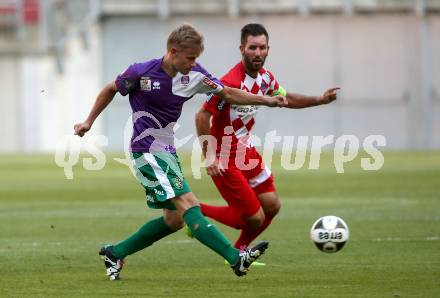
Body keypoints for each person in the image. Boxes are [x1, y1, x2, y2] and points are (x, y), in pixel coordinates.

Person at [74, 24, 287, 281]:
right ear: (173, 51)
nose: (194, 63)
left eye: (197, 58)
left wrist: (266, 99)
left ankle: (115, 252)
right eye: (190, 58)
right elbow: (111, 89)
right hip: (146, 151)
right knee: (189, 205)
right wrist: (88, 121)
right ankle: (234, 258)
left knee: (174, 219)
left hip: (167, 151)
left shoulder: (195, 75)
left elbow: (228, 93)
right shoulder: (141, 73)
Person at [195, 23, 339, 264]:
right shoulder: (229, 83)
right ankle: (193, 212)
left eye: (262, 47)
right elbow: (202, 116)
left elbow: (286, 98)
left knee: (271, 206)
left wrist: (320, 100)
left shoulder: (265, 79)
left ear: (268, 49)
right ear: (242, 49)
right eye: (252, 47)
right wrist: (209, 156)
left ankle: (240, 249)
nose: (257, 52)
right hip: (224, 156)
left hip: (246, 152)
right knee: (252, 218)